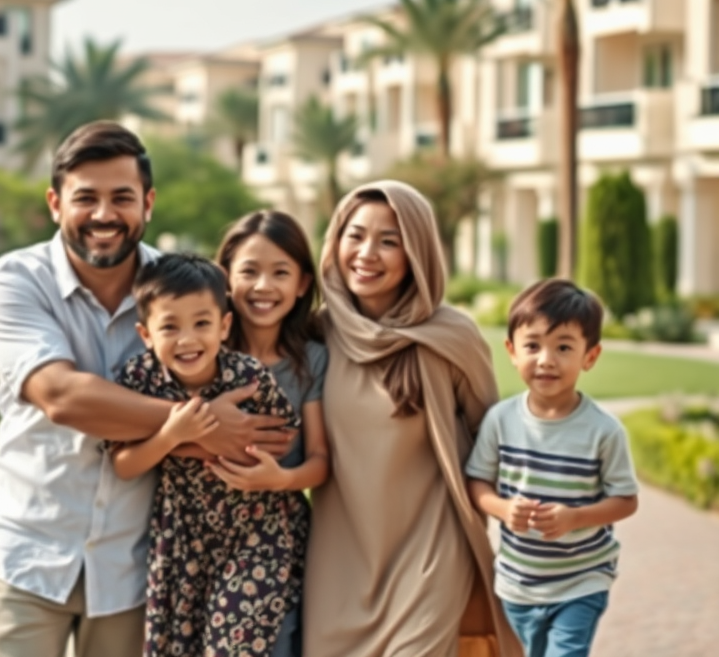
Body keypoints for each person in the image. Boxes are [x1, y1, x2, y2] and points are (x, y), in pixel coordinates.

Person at [0, 122, 294, 657]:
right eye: (85, 198)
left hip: (132, 569)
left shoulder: (180, 288)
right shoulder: (13, 281)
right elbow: (64, 397)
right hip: (28, 553)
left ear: (148, 203)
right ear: (55, 204)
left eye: (121, 197)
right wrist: (203, 426)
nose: (103, 215)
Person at [302, 180, 522, 657]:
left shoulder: (452, 337)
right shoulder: (315, 335)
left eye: (389, 241)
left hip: (431, 556)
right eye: (354, 235)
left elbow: (495, 441)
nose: (367, 253)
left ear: (417, 251)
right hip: (338, 561)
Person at [110, 252, 309, 657]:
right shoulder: (137, 380)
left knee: (233, 648)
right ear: (146, 334)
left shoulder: (249, 378)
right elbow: (123, 464)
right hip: (182, 537)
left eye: (202, 323)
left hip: (256, 532)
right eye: (170, 326)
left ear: (224, 325)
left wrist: (245, 455)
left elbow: (281, 437)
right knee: (174, 646)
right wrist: (173, 435)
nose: (187, 339)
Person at [465, 279, 639, 657]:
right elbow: (477, 483)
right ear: (512, 351)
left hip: (581, 581)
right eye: (533, 345)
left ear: (589, 357)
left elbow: (626, 501)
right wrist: (504, 509)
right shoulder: (500, 421)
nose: (546, 359)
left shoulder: (604, 431)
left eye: (563, 347)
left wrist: (575, 518)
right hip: (517, 583)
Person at [210, 209, 331, 657]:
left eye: (280, 273)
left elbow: (320, 459)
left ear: (302, 283)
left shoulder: (311, 361)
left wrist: (279, 480)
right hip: (195, 537)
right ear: (225, 278)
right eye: (249, 271)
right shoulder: (204, 353)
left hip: (273, 542)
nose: (263, 286)